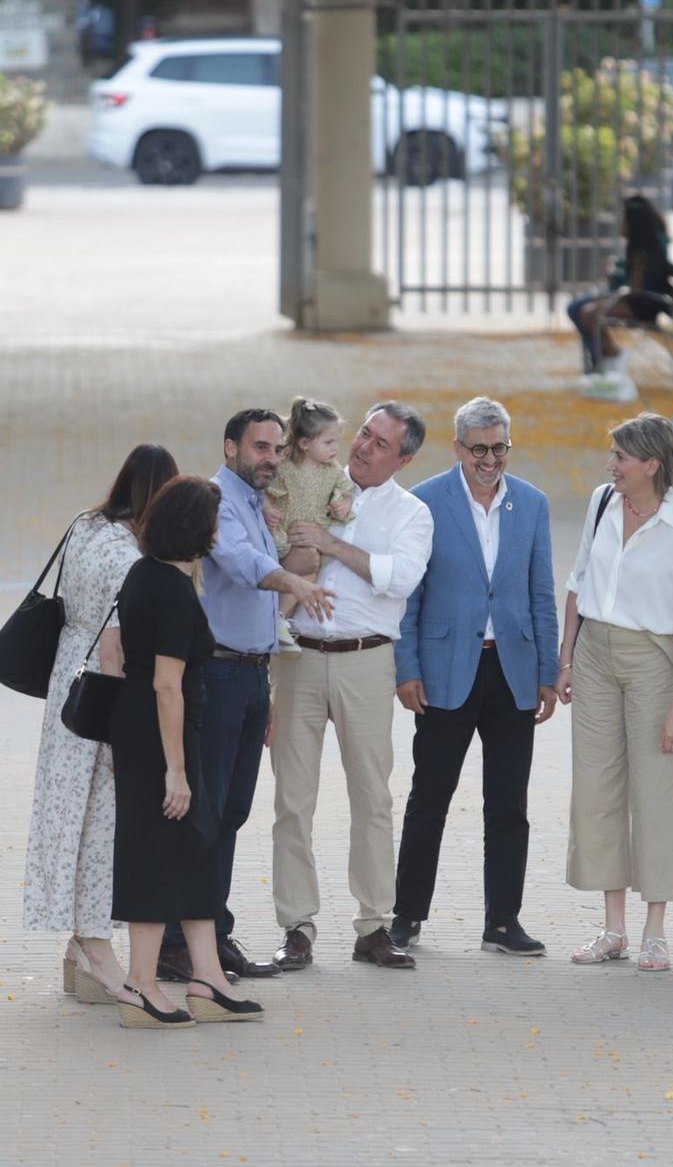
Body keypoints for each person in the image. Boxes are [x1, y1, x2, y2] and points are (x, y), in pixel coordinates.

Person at [157, 409, 334, 985]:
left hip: (252, 675)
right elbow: (240, 564)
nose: (270, 458)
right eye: (260, 447)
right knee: (204, 814)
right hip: (218, 676)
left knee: (231, 812)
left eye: (278, 449)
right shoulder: (215, 501)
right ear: (229, 445)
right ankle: (177, 942)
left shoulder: (257, 502)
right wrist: (296, 581)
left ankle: (211, 931)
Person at [392, 397, 560, 957]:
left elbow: (541, 592)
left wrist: (547, 670)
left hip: (511, 669)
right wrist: (407, 667)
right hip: (444, 670)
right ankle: (407, 916)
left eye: (500, 448)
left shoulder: (532, 504)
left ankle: (503, 921)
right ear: (459, 447)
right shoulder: (425, 502)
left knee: (508, 801)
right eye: (480, 449)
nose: (491, 460)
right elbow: (410, 594)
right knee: (429, 796)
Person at [271, 402, 434, 971]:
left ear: (404, 458)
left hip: (367, 659)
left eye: (380, 443)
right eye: (363, 434)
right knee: (292, 798)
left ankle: (373, 924)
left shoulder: (412, 513)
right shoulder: (310, 482)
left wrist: (332, 544)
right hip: (298, 655)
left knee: (372, 797)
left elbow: (401, 578)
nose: (363, 447)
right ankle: (296, 925)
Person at [110, 475, 266, 1028]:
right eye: (216, 523)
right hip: (161, 743)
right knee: (157, 855)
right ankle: (141, 984)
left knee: (197, 848)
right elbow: (165, 685)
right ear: (197, 529)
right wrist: (176, 770)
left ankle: (208, 979)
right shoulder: (172, 592)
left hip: (158, 737)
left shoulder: (145, 574)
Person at [26, 443, 177, 1004]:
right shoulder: (127, 557)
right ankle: (95, 946)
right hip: (102, 695)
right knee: (102, 824)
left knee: (71, 816)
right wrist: (122, 733)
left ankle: (78, 948)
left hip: (68, 682)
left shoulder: (85, 526)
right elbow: (116, 647)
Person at [559, 413, 673, 972]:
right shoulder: (602, 502)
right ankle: (613, 928)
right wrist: (567, 659)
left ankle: (655, 930)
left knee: (658, 789)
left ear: (652, 463)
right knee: (597, 788)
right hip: (595, 653)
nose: (611, 466)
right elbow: (577, 584)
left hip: (654, 658)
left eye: (621, 457)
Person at [265, 396, 356, 652]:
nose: (335, 448)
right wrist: (267, 507)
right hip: (283, 534)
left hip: (310, 539)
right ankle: (275, 621)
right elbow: (266, 491)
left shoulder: (333, 470)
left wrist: (344, 504)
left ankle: (279, 620)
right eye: (328, 442)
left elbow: (347, 491)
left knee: (310, 572)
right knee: (304, 570)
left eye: (336, 441)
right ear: (304, 443)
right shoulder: (285, 467)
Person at [566, 195, 673, 378]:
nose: (621, 224)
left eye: (624, 220)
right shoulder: (641, 245)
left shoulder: (646, 250)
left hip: (642, 304)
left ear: (634, 223)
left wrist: (613, 279)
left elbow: (634, 290)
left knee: (587, 313)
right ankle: (601, 358)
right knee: (577, 309)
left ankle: (609, 356)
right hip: (634, 298)